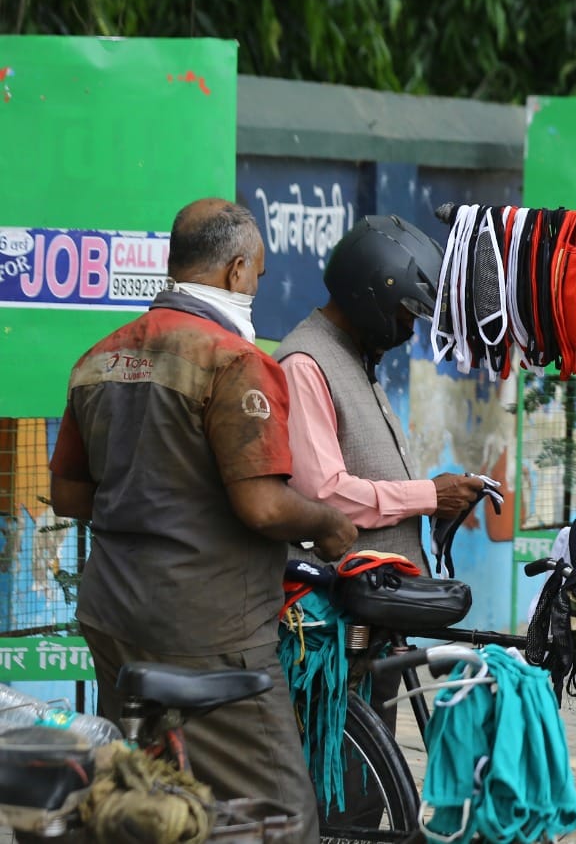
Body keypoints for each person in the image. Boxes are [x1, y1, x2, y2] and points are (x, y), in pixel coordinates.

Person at [49, 197, 358, 843]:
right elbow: (263, 504)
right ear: (236, 270)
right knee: (282, 812)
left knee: (146, 804)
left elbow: (69, 494)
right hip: (205, 628)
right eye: (260, 274)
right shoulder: (235, 361)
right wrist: (328, 523)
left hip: (112, 617)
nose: (257, 285)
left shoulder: (98, 359)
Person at [274, 214, 486, 574]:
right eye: (406, 311)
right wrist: (429, 496)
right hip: (334, 613)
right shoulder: (304, 365)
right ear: (370, 294)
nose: (409, 325)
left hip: (371, 608)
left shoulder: (354, 358)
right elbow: (324, 496)